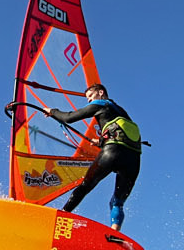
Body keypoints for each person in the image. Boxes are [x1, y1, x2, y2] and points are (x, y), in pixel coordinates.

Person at [47, 84, 142, 231]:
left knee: (85, 186)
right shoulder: (121, 111)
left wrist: (53, 111)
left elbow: (69, 118)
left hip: (113, 152)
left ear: (101, 92)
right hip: (133, 158)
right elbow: (123, 134)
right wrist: (102, 141)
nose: (89, 101)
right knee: (117, 203)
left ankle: (61, 217)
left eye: (90, 97)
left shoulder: (100, 104)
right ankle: (114, 232)